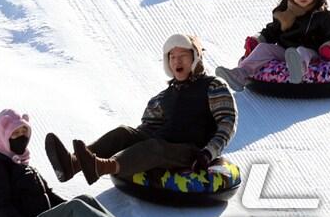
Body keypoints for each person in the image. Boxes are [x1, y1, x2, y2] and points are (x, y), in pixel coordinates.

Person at [45, 34, 237, 183]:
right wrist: (130, 145)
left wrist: (208, 153)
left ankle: (102, 167)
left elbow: (227, 123)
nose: (177, 62)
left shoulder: (213, 86)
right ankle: (73, 164)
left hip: (193, 152)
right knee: (123, 132)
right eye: (172, 57)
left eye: (183, 56)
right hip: (162, 146)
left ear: (195, 58)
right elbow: (146, 129)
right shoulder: (163, 97)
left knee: (155, 147)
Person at [0, 109, 160, 217]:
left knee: (84, 200)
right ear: (2, 136)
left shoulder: (20, 163)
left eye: (24, 132)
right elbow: (0, 212)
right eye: (15, 134)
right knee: (75, 208)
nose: (21, 137)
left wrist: (72, 211)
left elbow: (48, 194)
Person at [216, 0, 330, 89]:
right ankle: (239, 75)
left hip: (311, 52)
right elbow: (270, 32)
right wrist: (257, 40)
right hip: (285, 52)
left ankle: (298, 70)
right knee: (263, 48)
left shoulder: (324, 16)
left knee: (301, 51)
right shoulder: (283, 14)